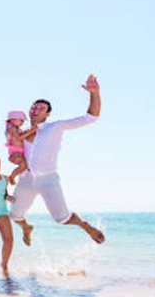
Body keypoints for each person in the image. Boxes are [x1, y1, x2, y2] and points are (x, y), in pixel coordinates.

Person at [10, 75, 105, 245]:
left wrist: (94, 93)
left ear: (47, 114)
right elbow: (14, 154)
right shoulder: (19, 133)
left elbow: (91, 117)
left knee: (62, 218)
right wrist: (14, 158)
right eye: (34, 107)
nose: (36, 109)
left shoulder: (55, 127)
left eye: (41, 108)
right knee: (15, 215)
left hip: (48, 179)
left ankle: (84, 226)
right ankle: (26, 227)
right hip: (26, 179)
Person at [4, 110, 36, 185]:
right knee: (23, 166)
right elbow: (19, 138)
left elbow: (21, 135)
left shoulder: (16, 128)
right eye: (21, 120)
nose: (22, 122)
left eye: (23, 121)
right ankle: (12, 176)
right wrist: (32, 131)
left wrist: (27, 131)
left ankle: (14, 176)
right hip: (15, 153)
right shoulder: (11, 128)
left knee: (25, 166)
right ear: (12, 120)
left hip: (19, 152)